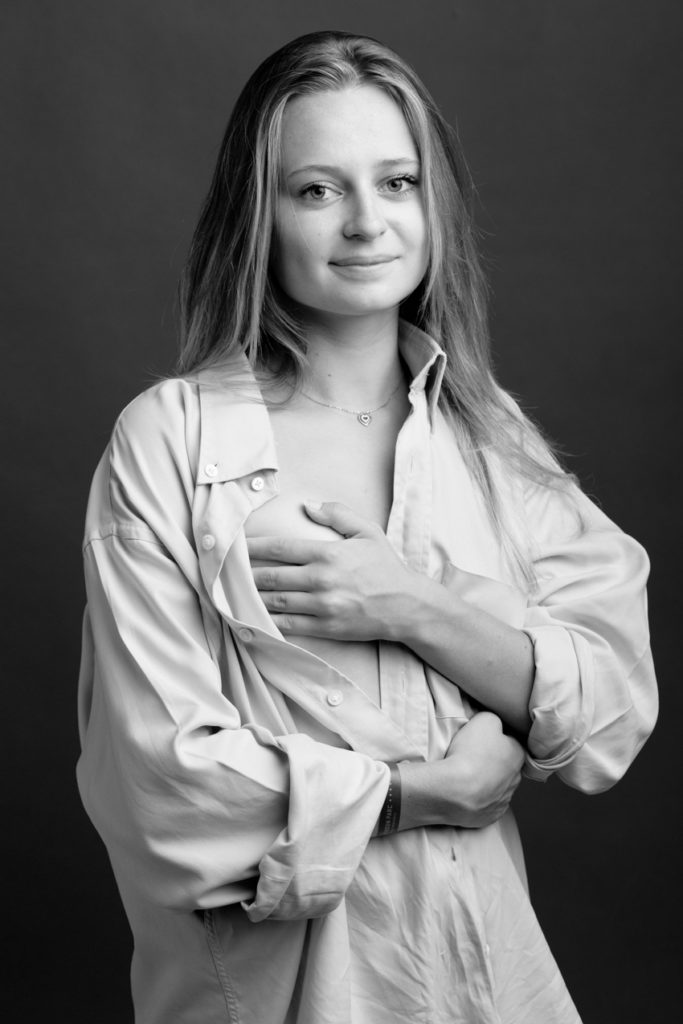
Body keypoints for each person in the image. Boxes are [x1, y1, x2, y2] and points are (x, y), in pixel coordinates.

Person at [76, 30, 657, 1024]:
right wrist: (415, 792)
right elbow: (158, 784)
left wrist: (414, 605)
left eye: (395, 182)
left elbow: (609, 708)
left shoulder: (487, 434)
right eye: (315, 191)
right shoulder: (169, 441)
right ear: (258, 216)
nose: (363, 223)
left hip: (483, 986)